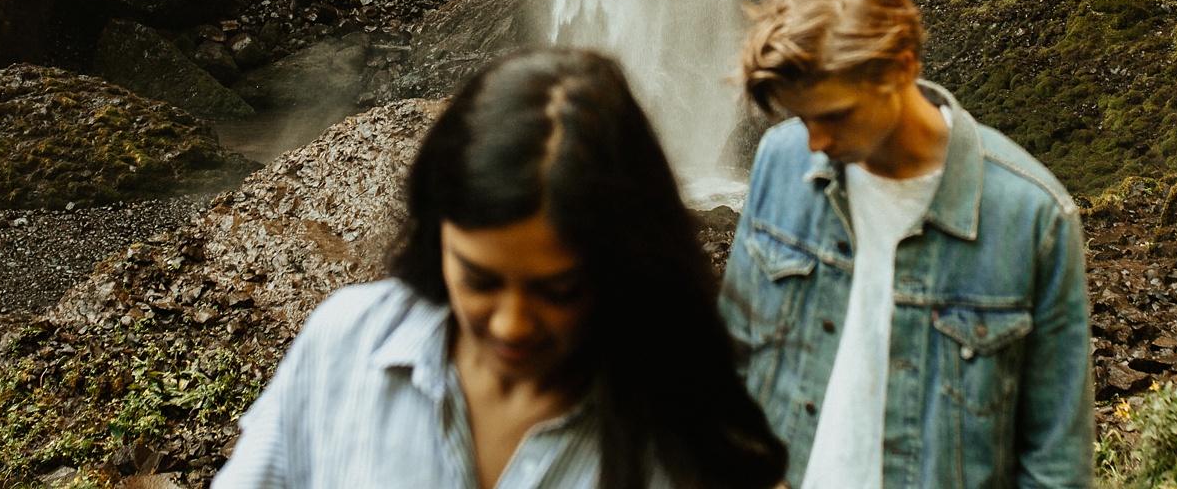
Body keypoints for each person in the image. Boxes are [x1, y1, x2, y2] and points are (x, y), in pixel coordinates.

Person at [214, 48, 787, 489]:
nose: (512, 325)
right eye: (480, 279)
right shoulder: (348, 342)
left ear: (625, 263)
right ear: (436, 234)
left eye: (558, 289)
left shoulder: (686, 435)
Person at [719, 0, 1093, 489]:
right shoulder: (781, 161)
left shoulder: (1033, 218)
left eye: (835, 115)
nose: (815, 143)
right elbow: (727, 365)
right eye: (801, 119)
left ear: (902, 66)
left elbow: (1056, 464)